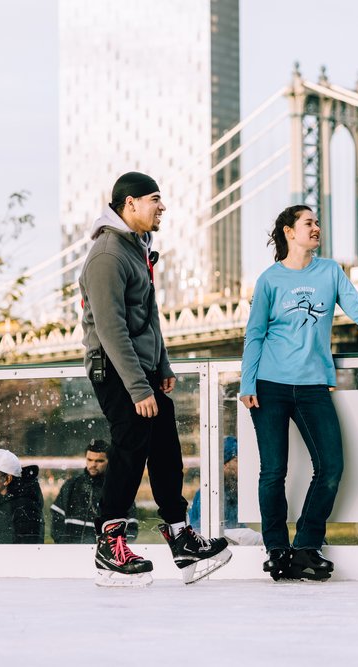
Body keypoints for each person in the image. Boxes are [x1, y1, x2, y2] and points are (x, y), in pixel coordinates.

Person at [239, 205, 358, 580]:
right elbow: (255, 332)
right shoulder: (269, 280)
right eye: (309, 223)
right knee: (273, 471)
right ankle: (277, 550)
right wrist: (247, 383)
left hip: (312, 386)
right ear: (289, 232)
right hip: (270, 386)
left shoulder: (330, 272)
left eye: (318, 222)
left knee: (330, 468)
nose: (317, 228)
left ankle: (307, 547)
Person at [79, 171, 230, 586]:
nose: (161, 207)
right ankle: (109, 545)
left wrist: (161, 365)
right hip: (116, 371)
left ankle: (180, 537)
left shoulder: (136, 248)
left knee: (166, 451)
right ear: (130, 205)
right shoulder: (108, 255)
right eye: (154, 199)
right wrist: (138, 385)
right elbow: (111, 330)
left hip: (141, 371)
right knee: (129, 451)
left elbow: (148, 319)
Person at [51, 439, 138, 544]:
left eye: (99, 461)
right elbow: (57, 516)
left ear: (110, 461)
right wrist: (63, 542)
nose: (93, 464)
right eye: (89, 459)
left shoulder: (118, 488)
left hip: (103, 555)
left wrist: (110, 547)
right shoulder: (72, 485)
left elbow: (131, 528)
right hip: (70, 552)